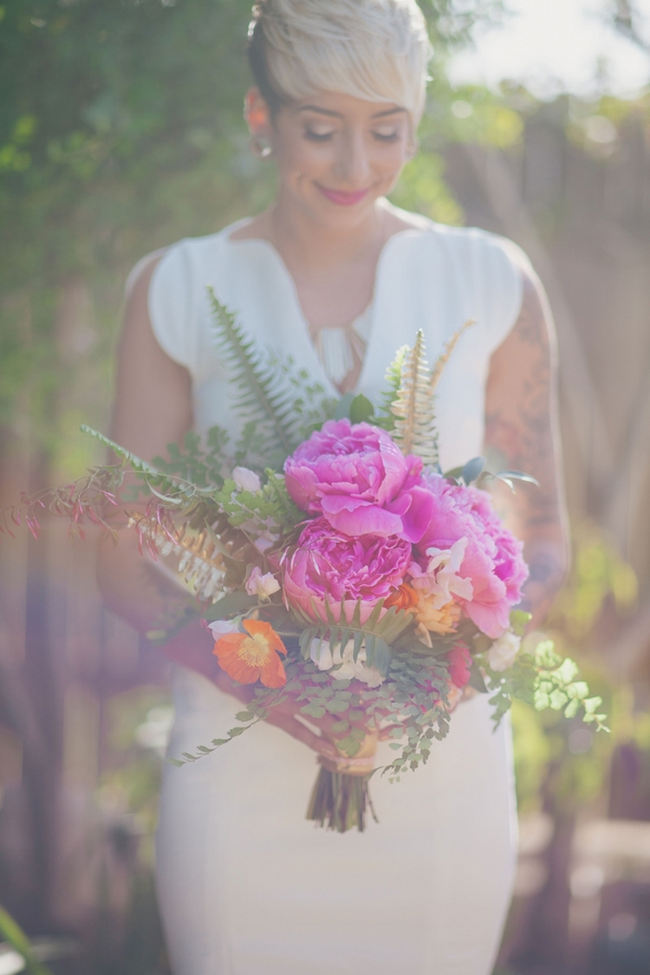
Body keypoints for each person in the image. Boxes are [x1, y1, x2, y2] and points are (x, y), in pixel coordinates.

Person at [97, 1, 569, 972]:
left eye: (386, 132)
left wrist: (429, 664)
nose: (355, 167)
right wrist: (274, 690)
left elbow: (543, 541)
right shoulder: (176, 289)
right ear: (258, 116)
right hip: (236, 784)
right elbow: (119, 550)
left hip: (441, 784)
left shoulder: (492, 280)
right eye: (320, 130)